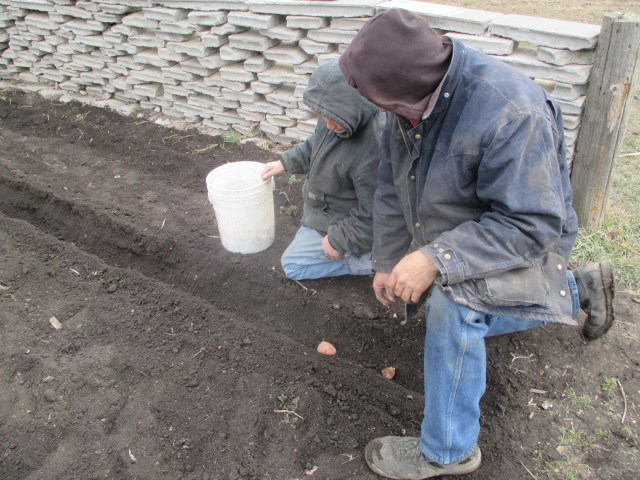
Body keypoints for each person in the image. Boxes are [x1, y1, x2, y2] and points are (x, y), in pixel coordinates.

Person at [338, 8, 615, 479]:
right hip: (467, 229)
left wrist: (435, 258)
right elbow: (390, 182)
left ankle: (448, 451)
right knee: (444, 304)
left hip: (525, 238)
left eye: (384, 103)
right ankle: (574, 289)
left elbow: (533, 223)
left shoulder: (511, 113)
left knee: (453, 307)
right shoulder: (407, 105)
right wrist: (387, 257)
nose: (381, 113)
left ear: (411, 86)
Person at [262, 59, 384, 280]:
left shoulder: (372, 152)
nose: (327, 124)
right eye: (323, 116)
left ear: (352, 107)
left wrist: (339, 240)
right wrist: (285, 161)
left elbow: (374, 214)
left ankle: (365, 261)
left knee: (292, 265)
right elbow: (315, 145)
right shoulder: (339, 120)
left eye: (332, 118)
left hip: (344, 220)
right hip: (325, 207)